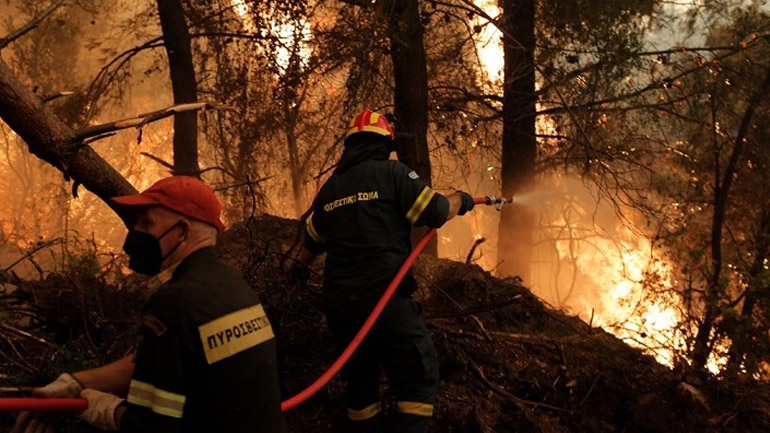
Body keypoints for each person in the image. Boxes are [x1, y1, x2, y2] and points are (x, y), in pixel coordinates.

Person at [12, 176, 286, 433]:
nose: (135, 233)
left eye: (146, 223)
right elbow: (164, 360)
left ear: (181, 231)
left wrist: (102, 408)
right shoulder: (232, 287)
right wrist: (76, 383)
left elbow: (151, 426)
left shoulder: (174, 303)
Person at [292, 109, 475, 433]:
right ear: (383, 144)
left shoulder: (330, 189)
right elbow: (436, 210)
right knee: (418, 380)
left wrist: (295, 273)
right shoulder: (392, 173)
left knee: (361, 389)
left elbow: (311, 242)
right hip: (385, 301)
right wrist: (461, 199)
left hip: (342, 308)